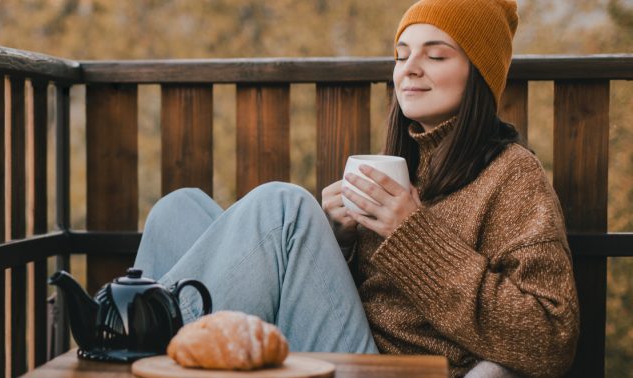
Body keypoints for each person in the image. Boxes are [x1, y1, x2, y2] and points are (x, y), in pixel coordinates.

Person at [132, 0, 579, 376]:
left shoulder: (513, 176)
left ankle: (130, 331)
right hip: (339, 344)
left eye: (436, 56)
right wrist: (335, 238)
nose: (411, 70)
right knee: (178, 209)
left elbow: (551, 337)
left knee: (284, 206)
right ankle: (135, 333)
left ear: (479, 74)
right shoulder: (407, 166)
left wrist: (413, 238)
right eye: (402, 55)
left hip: (390, 367)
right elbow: (361, 296)